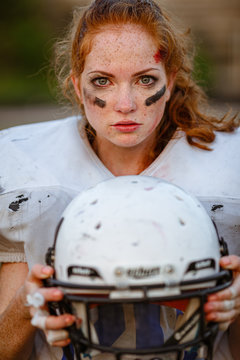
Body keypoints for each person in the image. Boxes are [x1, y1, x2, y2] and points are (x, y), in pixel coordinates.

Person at [0, 0, 239, 359]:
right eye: (103, 81)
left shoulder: (230, 165)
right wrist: (25, 306)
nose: (125, 103)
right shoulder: (27, 168)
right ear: (78, 88)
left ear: (170, 82)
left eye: (145, 79)